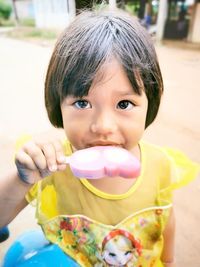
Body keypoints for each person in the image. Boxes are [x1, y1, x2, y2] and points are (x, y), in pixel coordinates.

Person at [0, 8, 199, 267]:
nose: (103, 127)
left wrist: (169, 261)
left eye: (124, 104)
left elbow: (165, 219)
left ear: (149, 103)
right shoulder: (53, 166)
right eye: (82, 103)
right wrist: (21, 179)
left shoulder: (160, 165)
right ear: (57, 104)